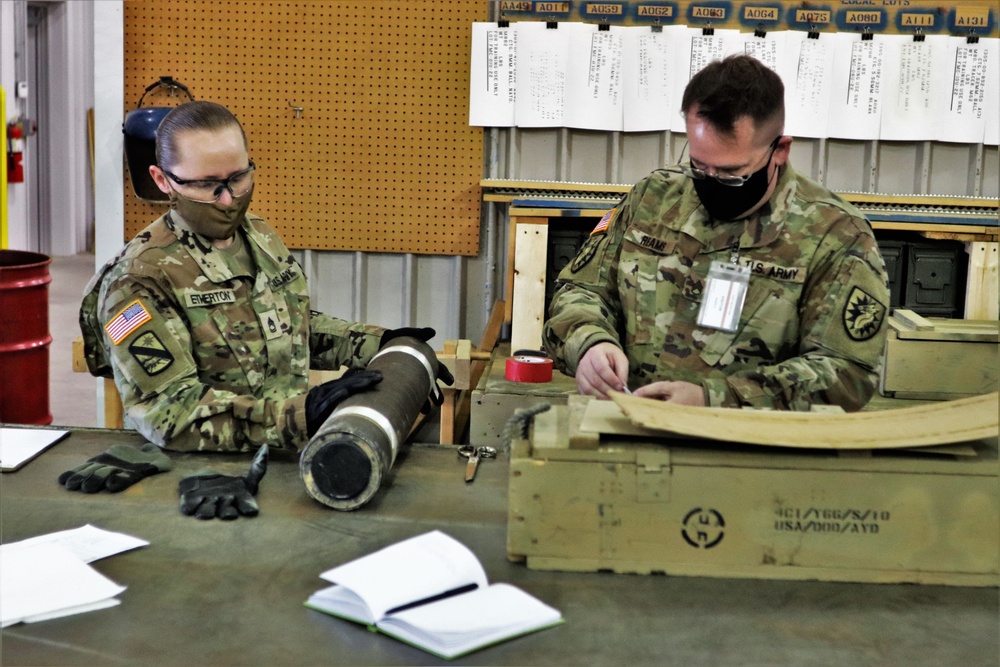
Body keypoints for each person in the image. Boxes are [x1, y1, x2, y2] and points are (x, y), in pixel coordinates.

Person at [80, 100, 438, 453]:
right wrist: (303, 416)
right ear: (162, 180)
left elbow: (285, 328)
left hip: (285, 461)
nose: (228, 200)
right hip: (201, 481)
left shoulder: (258, 237)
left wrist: (379, 343)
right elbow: (169, 414)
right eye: (207, 185)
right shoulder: (138, 280)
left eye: (238, 178)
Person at [543, 55, 890, 412]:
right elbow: (581, 289)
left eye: (731, 173)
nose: (711, 182)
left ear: (779, 151)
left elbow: (846, 373)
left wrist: (716, 400)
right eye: (698, 166)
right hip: (631, 431)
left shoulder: (835, 234)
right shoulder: (654, 198)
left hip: (743, 455)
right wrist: (589, 344)